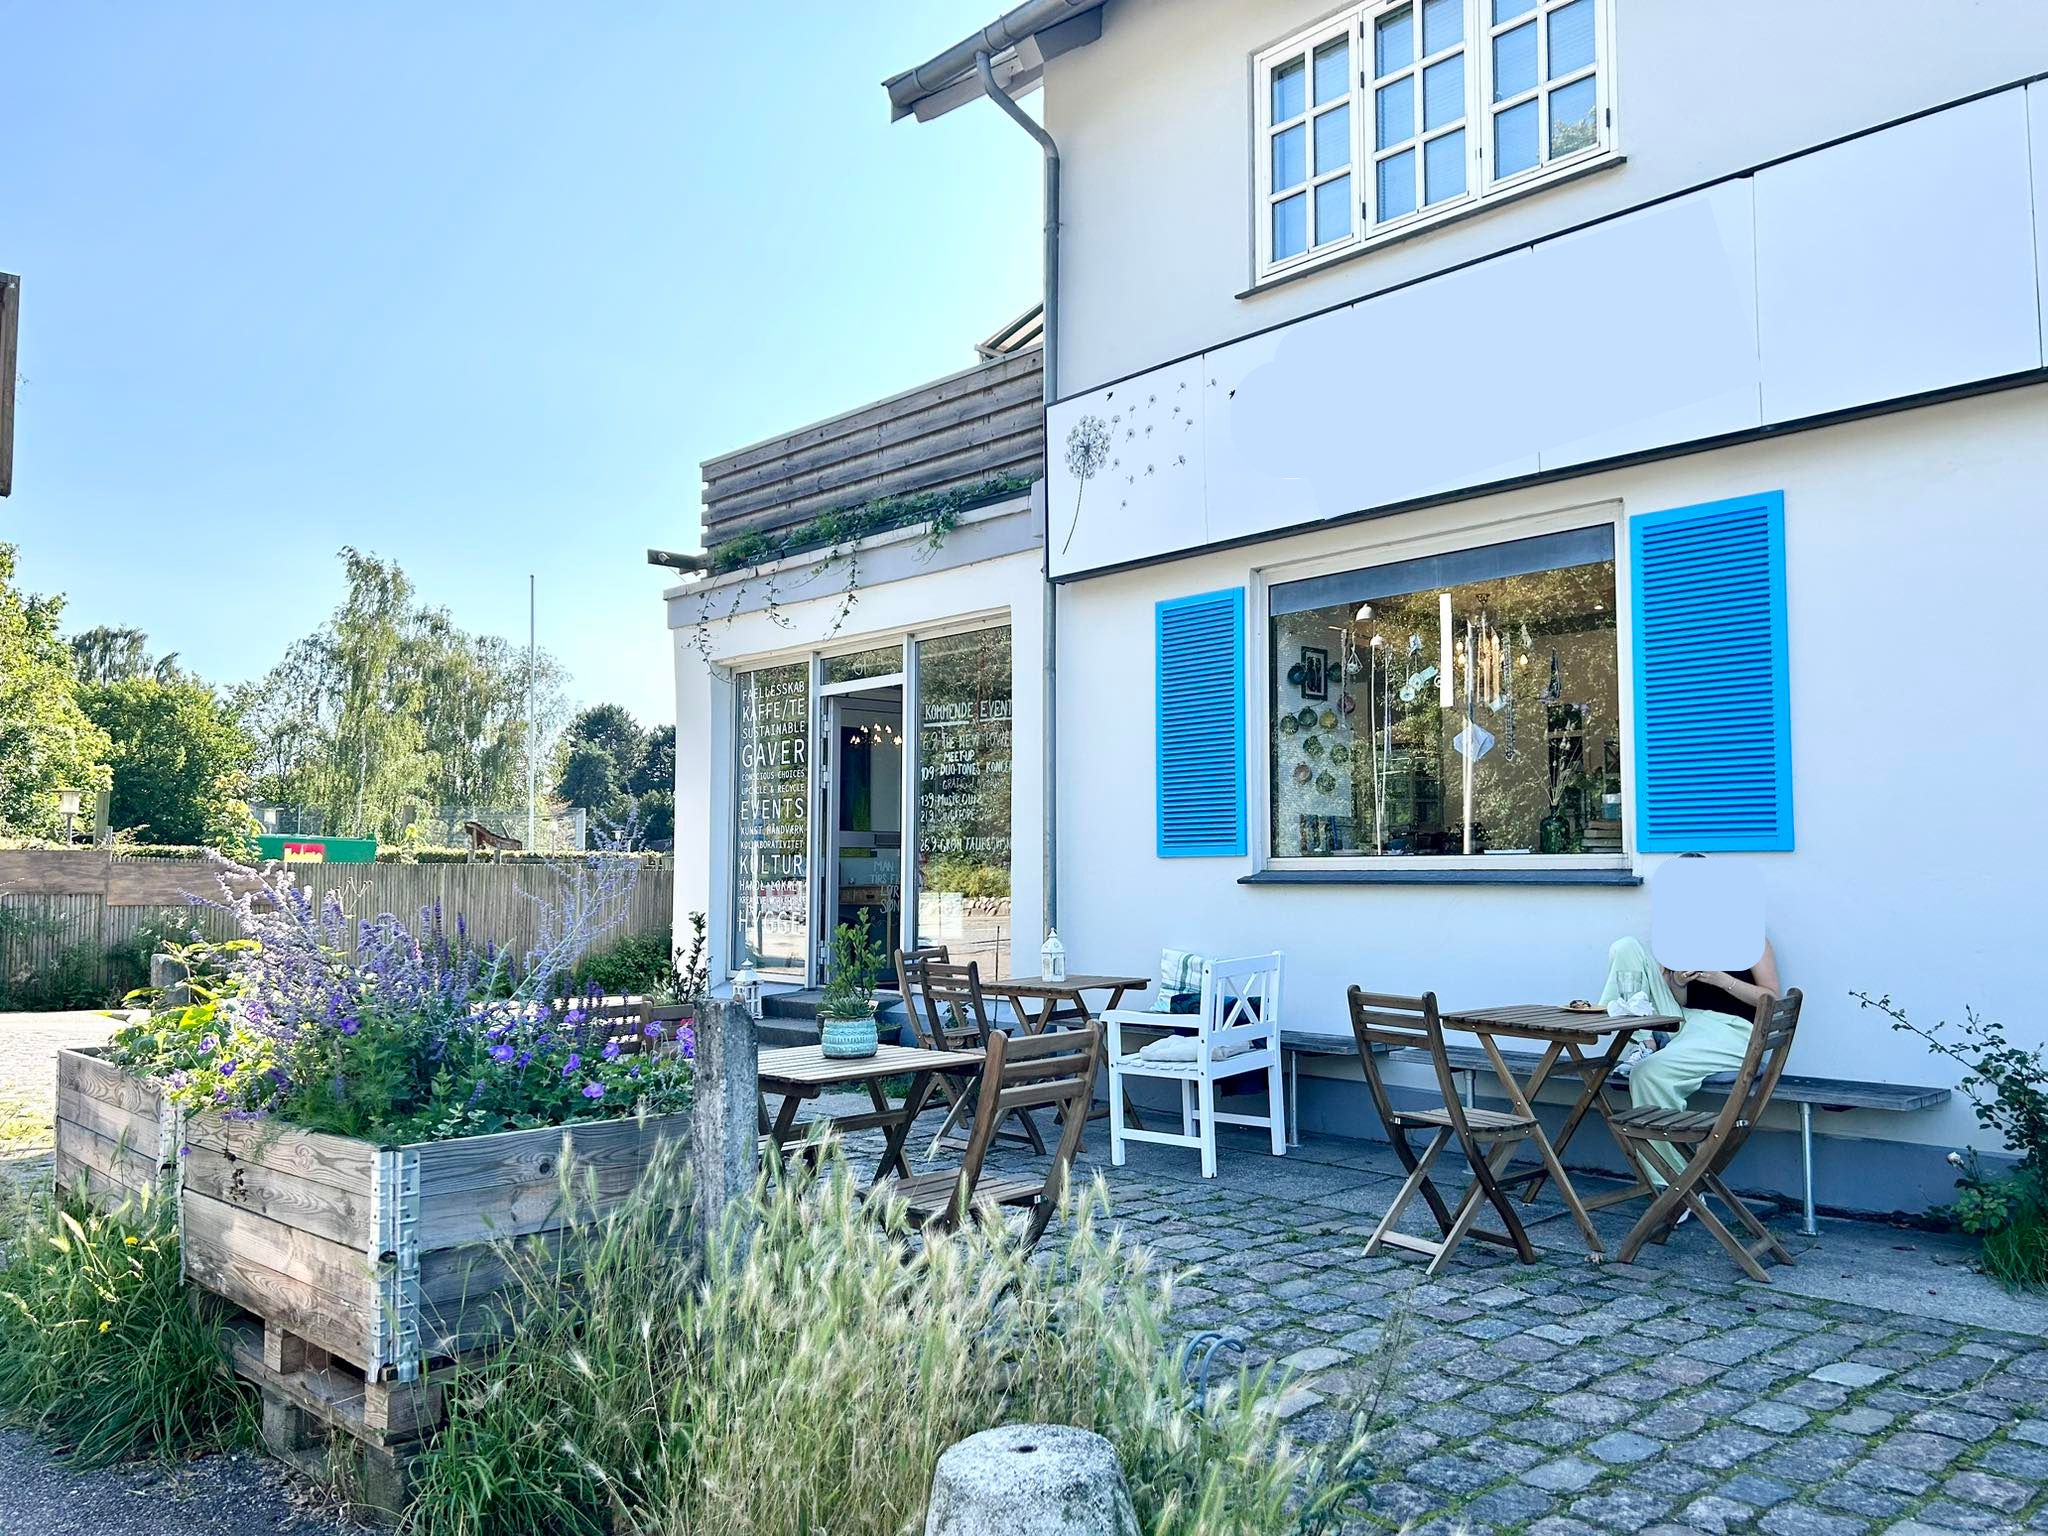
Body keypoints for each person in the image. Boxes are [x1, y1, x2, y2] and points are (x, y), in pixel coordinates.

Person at [1601, 934, 1781, 1187]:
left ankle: (1672, 1185)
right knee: (1625, 946)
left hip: (1731, 1030)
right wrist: (1678, 983)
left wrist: (1723, 980)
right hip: (1685, 1019)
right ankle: (1642, 1042)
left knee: (1647, 1073)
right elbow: (1678, 1000)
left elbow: (1772, 998)